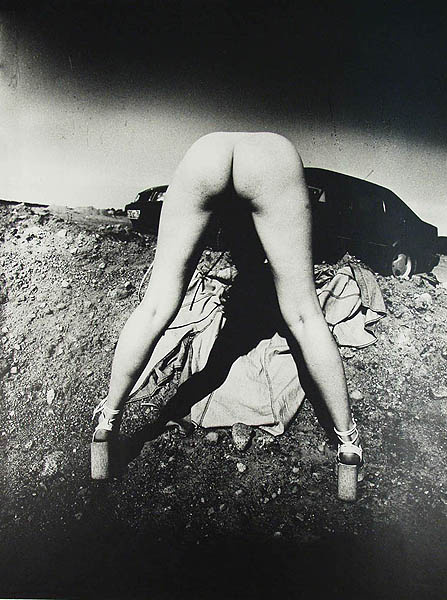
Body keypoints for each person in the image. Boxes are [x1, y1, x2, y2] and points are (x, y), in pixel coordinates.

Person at [91, 132, 363, 500]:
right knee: (305, 316)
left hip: (206, 152)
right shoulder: (273, 157)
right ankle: (348, 444)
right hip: (273, 157)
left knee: (155, 306)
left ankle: (107, 421)